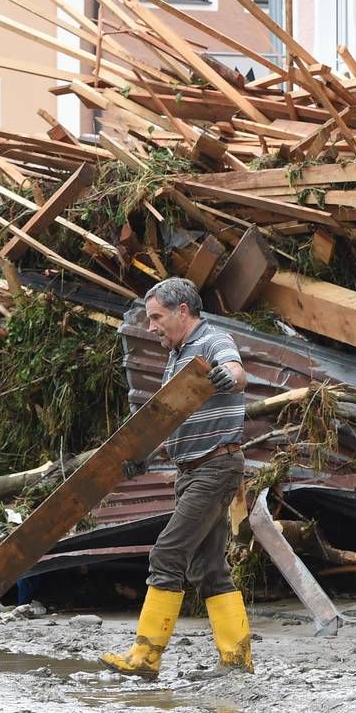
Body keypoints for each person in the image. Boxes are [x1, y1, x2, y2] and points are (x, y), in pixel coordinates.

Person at [101, 276, 255, 681]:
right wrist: (144, 457)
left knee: (167, 554)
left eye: (156, 317)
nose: (151, 327)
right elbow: (168, 421)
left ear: (182, 311)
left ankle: (146, 658)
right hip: (191, 472)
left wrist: (228, 377)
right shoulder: (175, 359)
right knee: (210, 568)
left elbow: (237, 373)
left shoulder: (210, 341)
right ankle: (237, 663)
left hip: (215, 468)